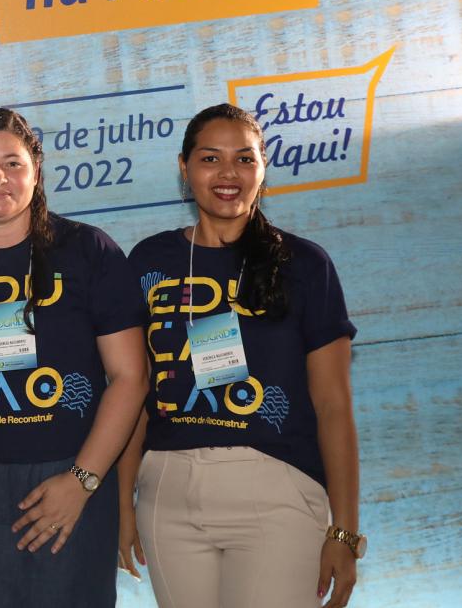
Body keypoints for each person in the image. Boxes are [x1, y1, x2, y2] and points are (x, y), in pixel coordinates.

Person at [116, 103, 362, 608]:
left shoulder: (305, 264)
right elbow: (134, 392)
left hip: (276, 492)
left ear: (263, 168)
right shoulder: (149, 261)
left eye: (244, 159)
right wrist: (121, 504)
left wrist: (343, 532)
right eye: (210, 158)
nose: (228, 174)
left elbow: (334, 406)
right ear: (184, 168)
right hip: (166, 492)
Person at [0, 107, 147, 607]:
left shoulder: (87, 250)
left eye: (12, 163)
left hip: (70, 475)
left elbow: (130, 377)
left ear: (36, 171)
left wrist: (82, 481)